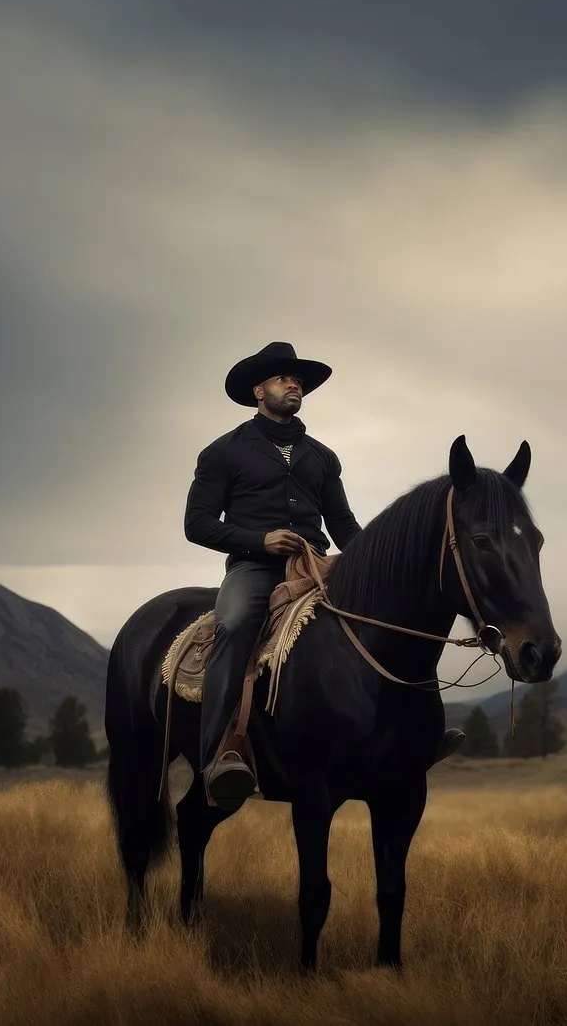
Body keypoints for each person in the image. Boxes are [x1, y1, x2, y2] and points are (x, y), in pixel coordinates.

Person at [184, 340, 463, 811]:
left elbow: (343, 525)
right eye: (281, 377)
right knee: (233, 625)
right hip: (254, 568)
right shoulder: (223, 453)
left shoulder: (321, 456)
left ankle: (418, 735)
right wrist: (260, 540)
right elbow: (197, 524)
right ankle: (219, 754)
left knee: (389, 620)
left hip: (318, 565)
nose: (294, 384)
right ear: (258, 390)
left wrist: (379, 567)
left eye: (298, 380)